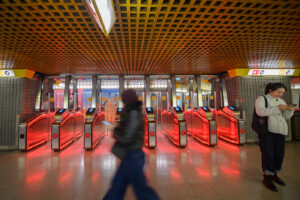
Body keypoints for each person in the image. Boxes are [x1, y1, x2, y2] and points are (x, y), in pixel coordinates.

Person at [103, 89, 160, 200]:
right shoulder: (130, 111)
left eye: (123, 99)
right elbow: (127, 131)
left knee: (143, 192)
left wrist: (114, 130)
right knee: (117, 187)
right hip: (128, 156)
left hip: (133, 157)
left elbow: (127, 138)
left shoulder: (133, 113)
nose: (123, 101)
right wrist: (117, 127)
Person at [255, 83, 294, 192]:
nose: (280, 95)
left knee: (279, 154)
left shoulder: (281, 101)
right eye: (278, 92)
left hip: (280, 130)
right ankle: (267, 177)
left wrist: (289, 110)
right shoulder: (261, 99)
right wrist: (277, 108)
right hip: (267, 131)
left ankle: (273, 174)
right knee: (268, 154)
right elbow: (260, 112)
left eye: (282, 93)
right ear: (271, 90)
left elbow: (286, 117)